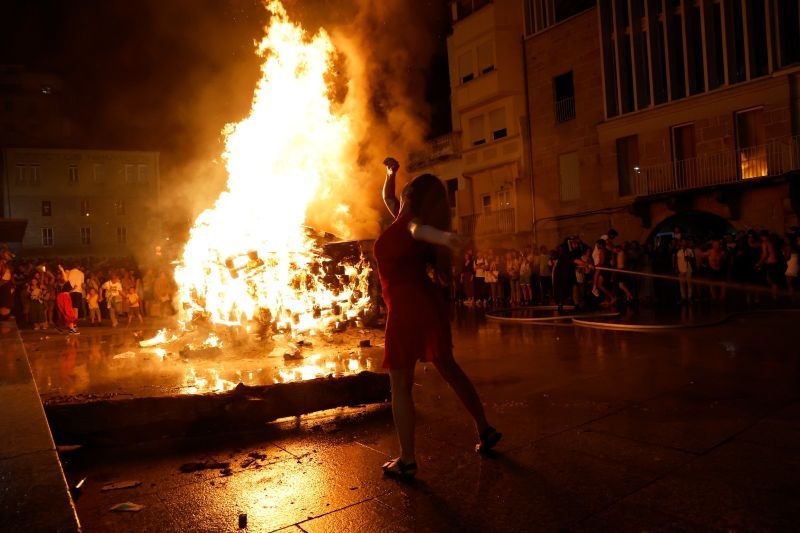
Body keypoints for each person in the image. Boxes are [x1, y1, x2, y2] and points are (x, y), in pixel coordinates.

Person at [375, 158, 501, 479]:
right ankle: (485, 429)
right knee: (449, 367)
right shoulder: (400, 219)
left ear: (413, 196)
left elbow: (423, 231)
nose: (402, 190)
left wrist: (447, 239)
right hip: (425, 304)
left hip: (406, 308)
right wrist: (390, 174)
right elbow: (387, 198)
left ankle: (407, 460)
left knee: (400, 384)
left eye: (407, 186)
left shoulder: (411, 225)